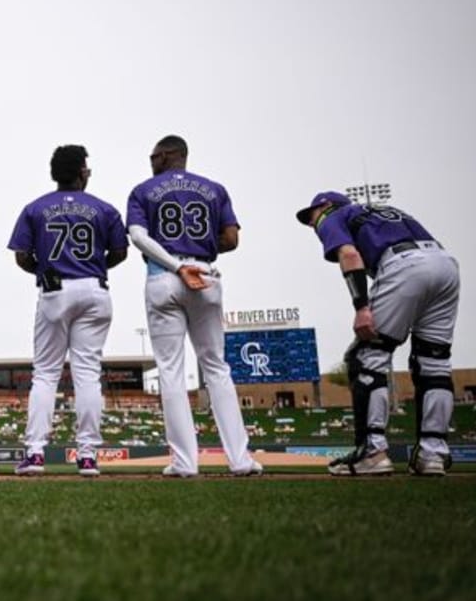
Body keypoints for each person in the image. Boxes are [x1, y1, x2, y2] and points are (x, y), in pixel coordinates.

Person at [296, 191, 461, 476]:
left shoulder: (332, 214)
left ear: (325, 205)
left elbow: (349, 254)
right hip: (445, 264)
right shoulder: (386, 210)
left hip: (403, 265)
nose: (312, 224)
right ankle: (432, 454)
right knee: (434, 361)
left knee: (366, 355)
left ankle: (372, 452)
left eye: (310, 216)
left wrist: (361, 307)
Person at [125, 135, 261, 477]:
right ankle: (241, 461)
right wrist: (195, 253)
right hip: (204, 274)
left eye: (154, 155)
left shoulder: (143, 190)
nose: (151, 161)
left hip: (163, 276)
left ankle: (185, 463)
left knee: (170, 370)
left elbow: (139, 237)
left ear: (169, 155)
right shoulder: (214, 188)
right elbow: (231, 239)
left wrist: (175, 264)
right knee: (216, 367)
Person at [9, 145, 128, 478]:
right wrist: (93, 267)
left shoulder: (35, 208)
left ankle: (34, 454)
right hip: (94, 287)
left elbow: (21, 256)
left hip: (55, 288)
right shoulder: (103, 208)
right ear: (79, 172)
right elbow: (120, 251)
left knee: (46, 374)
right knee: (87, 373)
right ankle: (87, 456)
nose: (88, 172)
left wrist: (43, 271)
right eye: (86, 167)